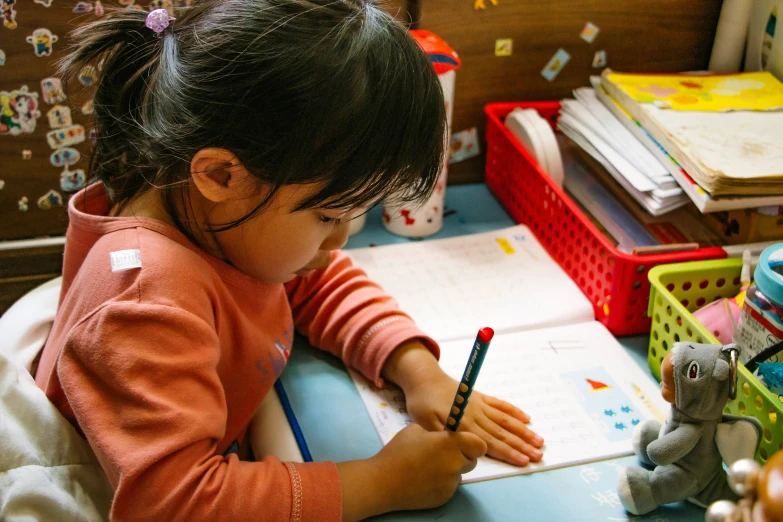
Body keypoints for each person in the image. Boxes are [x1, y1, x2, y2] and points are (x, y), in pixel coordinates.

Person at [35, 2, 544, 520]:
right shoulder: (146, 303)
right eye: (327, 216)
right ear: (221, 175)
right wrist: (381, 483)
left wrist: (416, 369)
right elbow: (175, 505)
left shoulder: (211, 212)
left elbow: (313, 281)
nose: (340, 241)